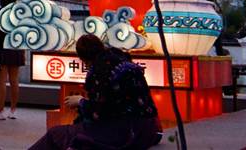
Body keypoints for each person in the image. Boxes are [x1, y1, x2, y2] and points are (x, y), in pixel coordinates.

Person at [29, 34, 162, 150]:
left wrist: (80, 102)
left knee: (56, 134)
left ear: (82, 58)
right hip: (149, 130)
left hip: (125, 133)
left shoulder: (100, 71)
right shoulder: (125, 62)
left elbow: (100, 113)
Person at [0, 0, 24, 120]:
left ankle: (0, 111)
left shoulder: (0, 12)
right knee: (14, 80)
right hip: (17, 47)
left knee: (2, 81)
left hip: (3, 48)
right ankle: (13, 110)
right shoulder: (20, 12)